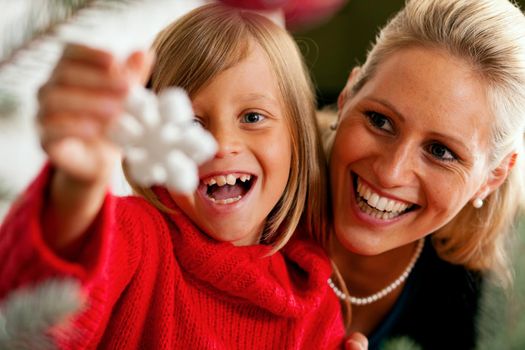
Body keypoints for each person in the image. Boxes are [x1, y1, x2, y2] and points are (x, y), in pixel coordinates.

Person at [0, 3, 353, 349]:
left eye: (252, 118)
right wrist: (77, 187)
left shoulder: (314, 303)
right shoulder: (135, 236)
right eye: (191, 122)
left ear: (297, 138)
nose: (221, 145)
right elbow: (32, 316)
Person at [320, 0, 525, 349]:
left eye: (441, 152)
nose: (390, 172)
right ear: (346, 96)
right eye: (379, 121)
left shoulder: (475, 289)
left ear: (492, 178)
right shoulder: (246, 198)